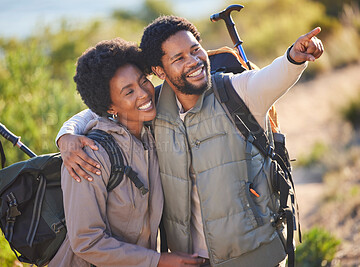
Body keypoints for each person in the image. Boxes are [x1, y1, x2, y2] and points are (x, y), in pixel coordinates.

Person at [56, 16, 323, 266]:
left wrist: (293, 58)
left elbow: (269, 78)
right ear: (160, 71)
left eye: (195, 50)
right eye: (179, 58)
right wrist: (66, 136)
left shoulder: (222, 94)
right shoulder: (132, 122)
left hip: (248, 254)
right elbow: (99, 108)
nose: (193, 61)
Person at [49, 37, 204, 267]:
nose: (144, 94)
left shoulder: (151, 132)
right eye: (128, 92)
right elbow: (86, 242)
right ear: (109, 107)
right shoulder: (89, 155)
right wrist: (158, 261)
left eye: (143, 81)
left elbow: (187, 77)